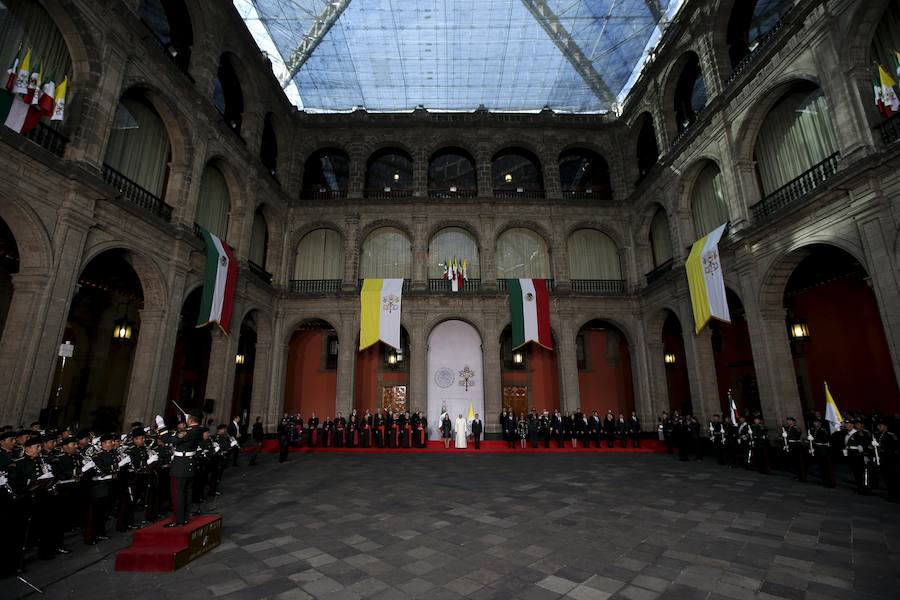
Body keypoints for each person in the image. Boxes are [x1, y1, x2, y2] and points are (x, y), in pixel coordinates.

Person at [163, 411, 204, 527]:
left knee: (178, 493)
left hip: (181, 466)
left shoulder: (188, 432)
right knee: (188, 492)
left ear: (190, 420)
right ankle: (185, 517)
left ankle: (178, 519)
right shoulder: (200, 429)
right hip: (190, 464)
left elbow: (168, 439)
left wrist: (161, 426)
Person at [874, 421, 899, 502]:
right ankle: (890, 494)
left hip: (889, 460)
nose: (879, 427)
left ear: (885, 427)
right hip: (882, 459)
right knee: (886, 477)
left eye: (880, 426)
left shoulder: (891, 435)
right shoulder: (878, 435)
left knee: (891, 478)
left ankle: (894, 495)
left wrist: (881, 448)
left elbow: (894, 447)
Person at [809, 418, 835, 487]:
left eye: (816, 422)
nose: (815, 424)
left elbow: (824, 440)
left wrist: (814, 439)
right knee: (821, 467)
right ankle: (825, 481)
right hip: (818, 450)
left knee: (826, 467)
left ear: (820, 423)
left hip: (823, 450)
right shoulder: (814, 430)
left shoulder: (823, 430)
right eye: (814, 422)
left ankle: (830, 482)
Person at [783, 417, 807, 482]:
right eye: (788, 421)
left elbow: (797, 436)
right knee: (794, 462)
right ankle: (797, 475)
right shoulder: (788, 428)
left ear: (794, 422)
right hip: (791, 446)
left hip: (796, 446)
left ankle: (802, 476)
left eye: (790, 421)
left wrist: (787, 436)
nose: (788, 422)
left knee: (798, 462)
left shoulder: (796, 428)